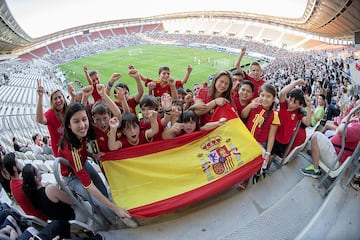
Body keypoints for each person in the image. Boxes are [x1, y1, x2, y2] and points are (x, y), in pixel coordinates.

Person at [58, 102, 136, 227]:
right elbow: (89, 186)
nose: (82, 125)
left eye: (84, 119)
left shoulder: (81, 133)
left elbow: (81, 152)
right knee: (98, 201)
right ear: (68, 124)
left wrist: (91, 154)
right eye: (76, 121)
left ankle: (114, 214)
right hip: (73, 176)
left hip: (82, 164)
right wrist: (116, 209)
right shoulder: (71, 149)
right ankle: (115, 222)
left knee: (103, 191)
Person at [300, 108, 360, 178]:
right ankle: (315, 154)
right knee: (326, 133)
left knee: (316, 136)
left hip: (335, 159)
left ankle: (315, 170)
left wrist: (349, 115)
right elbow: (340, 124)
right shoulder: (356, 122)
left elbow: (340, 130)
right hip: (334, 151)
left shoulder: (358, 129)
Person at [240, 83, 280, 187]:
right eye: (262, 95)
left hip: (260, 144)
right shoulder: (254, 106)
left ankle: (246, 180)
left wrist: (268, 153)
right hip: (247, 139)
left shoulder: (274, 115)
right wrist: (250, 106)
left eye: (268, 96)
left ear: (273, 99)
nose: (264, 99)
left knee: (252, 163)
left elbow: (271, 136)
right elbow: (243, 115)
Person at [22, 163, 88, 222]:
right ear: (35, 178)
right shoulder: (50, 189)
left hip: (61, 223)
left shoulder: (33, 195)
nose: (40, 172)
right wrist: (65, 186)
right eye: (38, 171)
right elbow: (74, 201)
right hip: (75, 217)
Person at [270, 79, 312, 165]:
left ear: (300, 105)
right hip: (274, 136)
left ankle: (266, 169)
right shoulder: (284, 105)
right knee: (269, 154)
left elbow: (307, 122)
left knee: (274, 155)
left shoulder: (298, 114)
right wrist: (295, 83)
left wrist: (309, 107)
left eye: (295, 102)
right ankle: (263, 169)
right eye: (290, 99)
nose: (291, 103)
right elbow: (282, 93)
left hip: (284, 141)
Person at [3, 152, 48, 221]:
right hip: (43, 214)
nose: (19, 163)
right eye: (17, 162)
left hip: (34, 216)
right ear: (14, 168)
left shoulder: (12, 184)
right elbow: (43, 196)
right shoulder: (24, 186)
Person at [36, 80, 68, 157]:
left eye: (60, 97)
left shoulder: (68, 110)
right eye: (55, 99)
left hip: (72, 147)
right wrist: (40, 97)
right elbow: (40, 119)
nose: (58, 100)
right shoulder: (50, 113)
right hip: (61, 151)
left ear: (63, 98)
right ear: (52, 102)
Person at [162, 110, 227, 139]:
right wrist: (171, 130)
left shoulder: (198, 131)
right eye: (186, 122)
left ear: (196, 123)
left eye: (191, 122)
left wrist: (219, 122)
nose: (188, 125)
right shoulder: (178, 133)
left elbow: (206, 127)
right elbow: (164, 137)